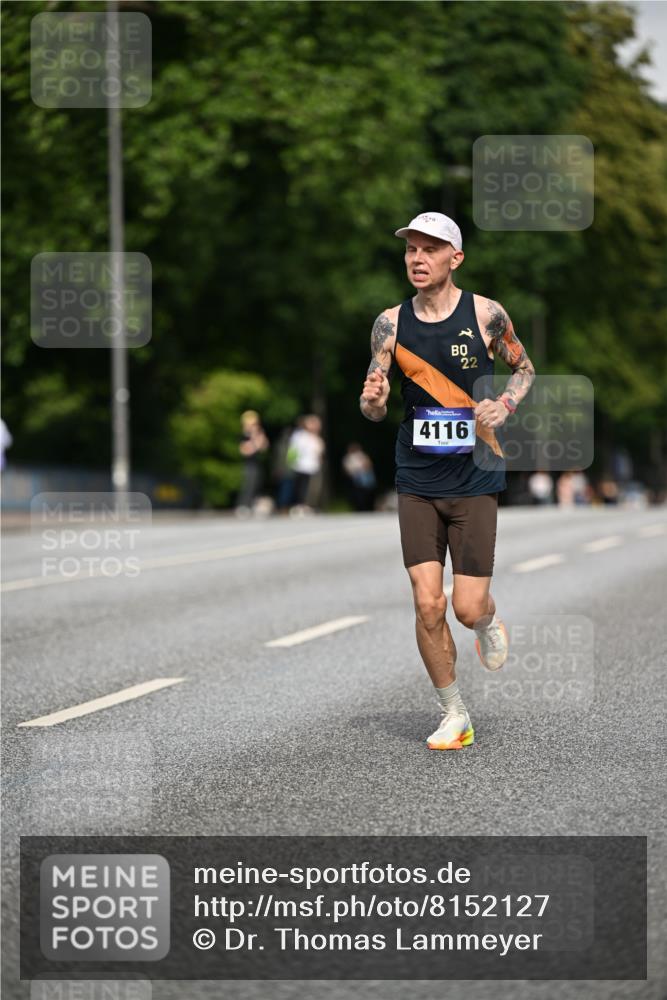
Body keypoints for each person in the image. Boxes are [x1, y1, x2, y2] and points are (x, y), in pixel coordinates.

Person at [360, 212, 535, 751]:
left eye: (430, 249)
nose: (417, 258)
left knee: (464, 608)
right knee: (428, 602)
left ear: (454, 258)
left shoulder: (486, 314)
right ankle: (454, 713)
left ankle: (486, 620)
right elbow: (372, 399)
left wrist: (504, 404)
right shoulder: (390, 324)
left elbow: (524, 369)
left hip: (476, 474)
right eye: (411, 249)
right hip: (415, 475)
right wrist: (372, 403)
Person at [286, 414, 325, 515]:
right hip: (301, 466)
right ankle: (299, 506)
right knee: (301, 487)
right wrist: (291, 462)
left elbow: (319, 451)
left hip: (313, 466)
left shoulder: (316, 437)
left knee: (313, 488)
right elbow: (293, 450)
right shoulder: (300, 435)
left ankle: (309, 506)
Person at [236, 410, 269, 516]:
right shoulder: (243, 435)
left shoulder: (258, 434)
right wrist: (254, 442)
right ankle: (243, 505)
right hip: (248, 464)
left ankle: (252, 505)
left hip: (257, 463)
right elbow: (245, 450)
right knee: (248, 485)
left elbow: (264, 447)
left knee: (257, 484)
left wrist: (257, 436)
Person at [342, 442, 376, 511]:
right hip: (354, 478)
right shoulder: (348, 458)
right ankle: (359, 507)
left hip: (364, 477)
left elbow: (368, 465)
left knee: (366, 493)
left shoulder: (362, 456)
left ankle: (367, 507)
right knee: (358, 494)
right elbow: (347, 469)